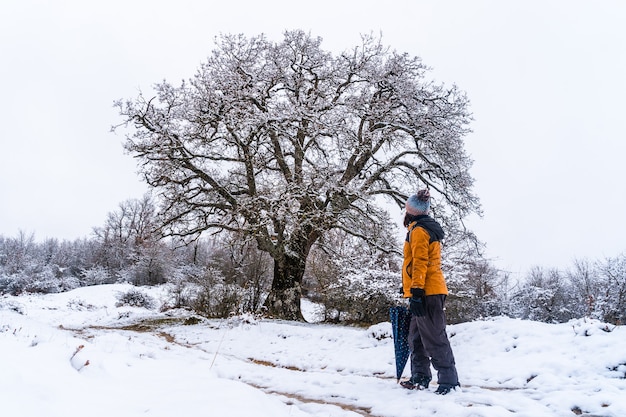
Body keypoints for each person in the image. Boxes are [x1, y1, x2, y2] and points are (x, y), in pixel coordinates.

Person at [400, 189, 460, 395]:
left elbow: (420, 262)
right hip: (423, 289)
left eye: (406, 209)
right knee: (416, 338)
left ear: (412, 211)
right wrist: (408, 287)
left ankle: (449, 382)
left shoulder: (419, 231)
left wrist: (416, 291)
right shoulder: (421, 228)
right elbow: (414, 265)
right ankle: (420, 377)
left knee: (435, 337)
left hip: (428, 292)